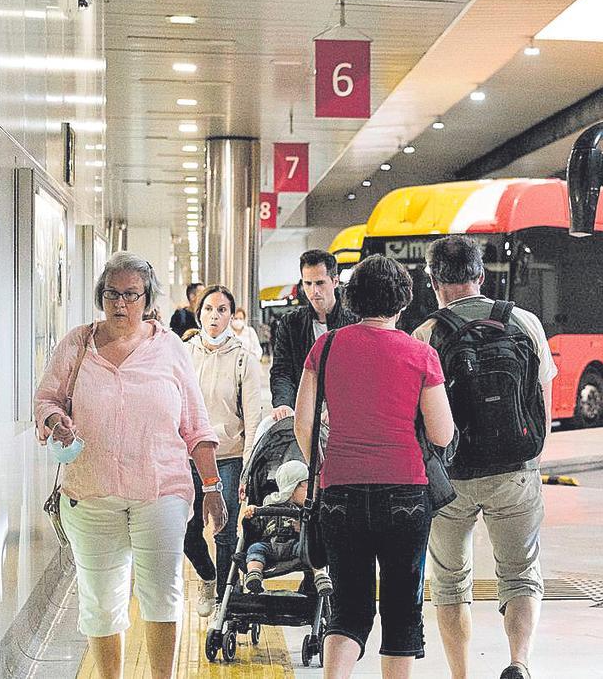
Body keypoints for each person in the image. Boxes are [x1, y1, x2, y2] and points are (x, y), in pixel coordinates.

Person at [34, 252, 227, 679]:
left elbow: (196, 424)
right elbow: (45, 398)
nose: (120, 304)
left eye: (130, 295)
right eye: (112, 294)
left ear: (148, 300)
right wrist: (54, 419)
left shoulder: (170, 347)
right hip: (90, 489)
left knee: (161, 592)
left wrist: (212, 488)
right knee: (101, 600)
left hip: (161, 490)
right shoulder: (78, 343)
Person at [294, 254, 455, 679]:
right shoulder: (421, 355)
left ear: (351, 298)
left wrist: (327, 463)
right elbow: (441, 434)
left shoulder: (325, 347)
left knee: (348, 608)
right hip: (405, 493)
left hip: (340, 491)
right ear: (403, 301)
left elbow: (302, 422)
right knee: (402, 608)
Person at [413, 236, 557, 679]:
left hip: (450, 476)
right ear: (481, 275)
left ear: (433, 280)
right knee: (520, 572)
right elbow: (543, 403)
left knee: (451, 582)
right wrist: (529, 459)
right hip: (515, 468)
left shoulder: (425, 335)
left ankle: (460, 675)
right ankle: (519, 663)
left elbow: (418, 420)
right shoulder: (525, 322)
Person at [182, 285, 264, 618]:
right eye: (208, 310)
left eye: (222, 310)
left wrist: (247, 467)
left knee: (225, 529)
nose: (214, 316)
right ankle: (206, 575)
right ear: (198, 313)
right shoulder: (185, 353)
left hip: (228, 455)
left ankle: (223, 601)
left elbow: (254, 415)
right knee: (187, 530)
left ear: (232, 315)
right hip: (188, 456)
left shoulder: (244, 357)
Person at [270, 250, 358, 422]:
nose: (313, 291)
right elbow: (282, 371)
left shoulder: (355, 321)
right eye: (308, 283)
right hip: (303, 410)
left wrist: (340, 407)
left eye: (320, 283)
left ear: (335, 281)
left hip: (347, 413)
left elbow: (360, 374)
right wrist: (283, 403)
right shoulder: (290, 323)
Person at [240, 459, 332, 596]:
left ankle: (320, 575)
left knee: (313, 550)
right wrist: (251, 514)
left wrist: (303, 529)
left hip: (295, 546)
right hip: (269, 545)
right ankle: (254, 574)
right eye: (308, 484)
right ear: (292, 486)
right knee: (255, 548)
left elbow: (316, 534)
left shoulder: (307, 512)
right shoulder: (269, 506)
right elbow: (255, 529)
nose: (313, 490)